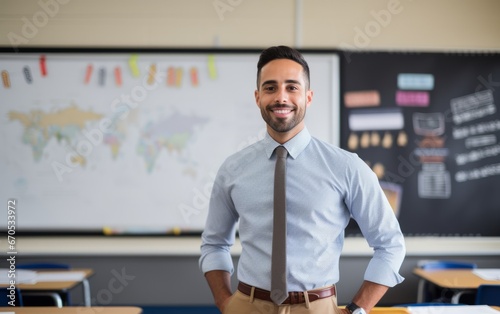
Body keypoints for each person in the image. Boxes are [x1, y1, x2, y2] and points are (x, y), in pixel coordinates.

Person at [199, 45, 405, 314]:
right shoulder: (233, 169)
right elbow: (214, 244)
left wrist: (357, 310)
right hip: (246, 305)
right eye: (270, 88)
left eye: (292, 87)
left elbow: (390, 244)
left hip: (316, 307)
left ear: (308, 97)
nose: (281, 97)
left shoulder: (346, 167)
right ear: (257, 96)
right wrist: (225, 302)